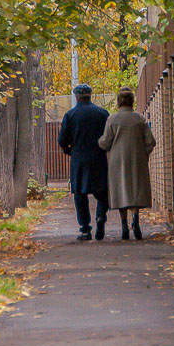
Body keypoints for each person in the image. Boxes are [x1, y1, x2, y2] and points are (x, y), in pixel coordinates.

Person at [98, 86, 155, 240]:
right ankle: (136, 220)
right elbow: (151, 141)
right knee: (135, 189)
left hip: (117, 160)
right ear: (132, 101)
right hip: (137, 159)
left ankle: (124, 225)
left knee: (120, 189)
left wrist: (99, 142)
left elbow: (105, 143)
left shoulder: (112, 120)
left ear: (118, 102)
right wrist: (144, 154)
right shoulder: (140, 119)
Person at [58, 84, 110, 241]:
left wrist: (69, 150)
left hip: (79, 160)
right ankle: (100, 217)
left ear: (77, 96)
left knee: (80, 194)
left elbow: (62, 140)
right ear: (90, 95)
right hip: (99, 158)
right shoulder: (103, 113)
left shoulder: (70, 115)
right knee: (102, 193)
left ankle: (85, 229)